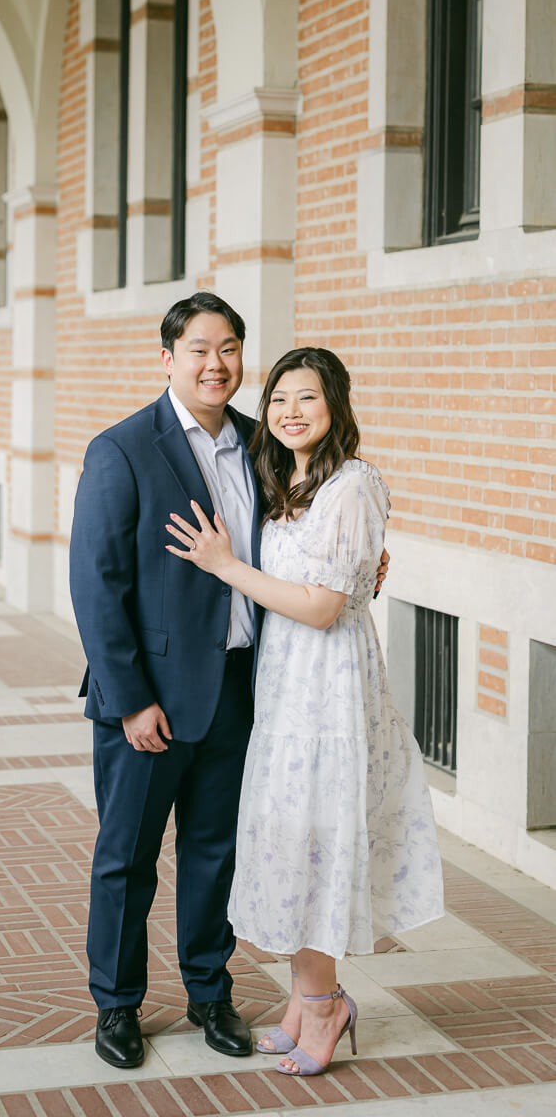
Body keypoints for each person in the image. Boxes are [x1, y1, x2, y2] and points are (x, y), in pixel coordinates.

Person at [166, 346, 444, 1078]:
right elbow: (336, 581)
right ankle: (305, 999)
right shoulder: (287, 478)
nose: (290, 412)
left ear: (337, 406)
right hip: (285, 690)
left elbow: (322, 607)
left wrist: (228, 567)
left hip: (327, 697)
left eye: (308, 399)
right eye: (281, 397)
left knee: (315, 845)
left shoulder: (350, 486)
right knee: (291, 843)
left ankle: (325, 1006)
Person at [69, 292, 260, 1068]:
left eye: (230, 349)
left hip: (240, 687)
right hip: (150, 701)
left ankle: (210, 993)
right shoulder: (122, 448)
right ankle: (117, 1006)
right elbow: (96, 584)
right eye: (200, 350)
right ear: (169, 359)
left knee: (215, 852)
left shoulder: (259, 444)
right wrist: (130, 700)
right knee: (128, 856)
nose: (216, 365)